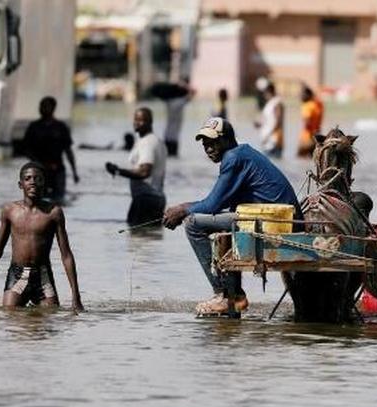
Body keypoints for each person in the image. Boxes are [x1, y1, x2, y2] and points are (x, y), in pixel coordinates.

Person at [162, 117, 302, 314]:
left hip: (274, 222)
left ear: (227, 139)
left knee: (193, 223)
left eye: (213, 143)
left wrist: (182, 209)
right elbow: (221, 203)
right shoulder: (242, 154)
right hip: (276, 219)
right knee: (221, 220)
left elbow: (212, 204)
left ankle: (224, 294)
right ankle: (234, 295)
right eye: (205, 144)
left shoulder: (233, 158)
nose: (208, 149)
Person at [0, 162, 84, 312]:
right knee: (10, 315)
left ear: (44, 183)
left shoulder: (54, 213)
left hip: (43, 277)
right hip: (17, 276)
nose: (32, 182)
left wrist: (76, 296)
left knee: (50, 318)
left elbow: (66, 255)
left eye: (37, 178)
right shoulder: (10, 211)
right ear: (20, 185)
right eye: (28, 178)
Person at [105, 108, 167, 227]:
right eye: (135, 119)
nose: (136, 123)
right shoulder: (157, 141)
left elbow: (144, 172)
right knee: (150, 240)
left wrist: (118, 171)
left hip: (145, 199)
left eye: (141, 120)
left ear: (150, 122)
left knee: (137, 240)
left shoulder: (147, 143)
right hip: (157, 199)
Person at [23, 97, 80, 201]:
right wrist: (38, 163)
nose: (42, 109)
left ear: (53, 108)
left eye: (45, 106)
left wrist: (74, 172)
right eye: (41, 106)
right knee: (38, 200)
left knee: (58, 200)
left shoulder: (61, 127)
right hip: (39, 171)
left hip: (57, 170)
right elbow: (26, 149)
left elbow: (68, 151)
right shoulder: (34, 127)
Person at [163, 80, 193, 157]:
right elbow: (192, 93)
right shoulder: (179, 102)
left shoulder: (168, 102)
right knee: (174, 158)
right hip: (174, 139)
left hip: (166, 137)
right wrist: (185, 86)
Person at [255, 83, 284, 158]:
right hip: (267, 142)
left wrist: (267, 136)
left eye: (264, 92)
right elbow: (269, 120)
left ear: (269, 91)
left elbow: (278, 122)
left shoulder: (277, 103)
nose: (264, 95)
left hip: (274, 141)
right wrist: (260, 124)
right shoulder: (269, 104)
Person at [298, 85, 323, 158]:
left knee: (301, 159)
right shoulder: (317, 105)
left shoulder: (307, 106)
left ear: (307, 95)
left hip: (306, 138)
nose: (300, 96)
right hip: (316, 137)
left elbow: (307, 122)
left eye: (302, 94)